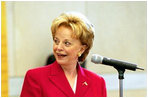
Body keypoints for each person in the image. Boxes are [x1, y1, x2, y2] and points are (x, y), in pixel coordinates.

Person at [20, 12, 107, 97]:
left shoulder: (97, 82)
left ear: (81, 49)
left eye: (67, 43)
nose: (58, 47)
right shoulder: (35, 77)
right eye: (56, 41)